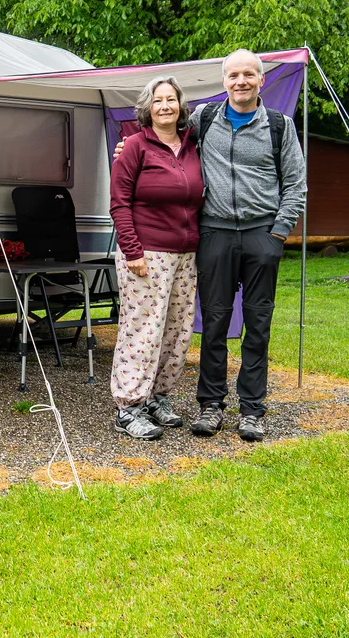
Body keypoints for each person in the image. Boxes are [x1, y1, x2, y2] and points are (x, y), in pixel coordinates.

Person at [114, 49, 306, 441]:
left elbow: (296, 185)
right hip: (214, 235)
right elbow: (158, 144)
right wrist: (127, 147)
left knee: (257, 327)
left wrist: (278, 234)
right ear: (224, 81)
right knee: (212, 325)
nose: (241, 82)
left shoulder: (279, 127)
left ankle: (252, 410)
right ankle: (211, 405)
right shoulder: (205, 119)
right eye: (233, 75)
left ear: (261, 80)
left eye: (249, 75)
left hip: (260, 236)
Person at [108, 76, 204, 439]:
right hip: (146, 253)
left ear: (181, 106)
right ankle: (128, 406)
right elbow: (119, 202)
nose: (165, 106)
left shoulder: (193, 146)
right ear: (147, 108)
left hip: (186, 255)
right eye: (158, 100)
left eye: (171, 99)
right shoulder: (134, 146)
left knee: (177, 332)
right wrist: (132, 251)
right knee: (143, 331)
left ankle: (157, 397)